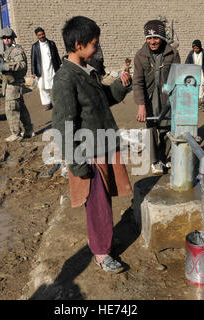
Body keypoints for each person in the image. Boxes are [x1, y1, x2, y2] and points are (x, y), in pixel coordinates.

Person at [52, 16, 133, 273]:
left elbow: (102, 100)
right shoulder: (66, 79)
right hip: (89, 152)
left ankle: (101, 240)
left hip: (104, 144)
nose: (97, 48)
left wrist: (121, 85)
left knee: (105, 199)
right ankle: (100, 252)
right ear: (78, 44)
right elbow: (64, 124)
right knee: (98, 204)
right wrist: (75, 161)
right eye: (94, 44)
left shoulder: (87, 70)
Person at [133, 19, 181, 174]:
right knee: (151, 128)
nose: (152, 42)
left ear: (162, 37)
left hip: (168, 96)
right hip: (149, 98)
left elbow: (179, 77)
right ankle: (155, 161)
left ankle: (164, 157)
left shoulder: (172, 53)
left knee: (167, 127)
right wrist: (141, 106)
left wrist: (178, 101)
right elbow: (138, 82)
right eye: (149, 38)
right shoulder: (140, 56)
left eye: (156, 38)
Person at [0, 27, 34, 142]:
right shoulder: (7, 51)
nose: (7, 40)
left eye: (9, 37)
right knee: (21, 108)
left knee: (11, 109)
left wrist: (6, 66)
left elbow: (22, 65)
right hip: (9, 83)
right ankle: (28, 130)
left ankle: (16, 133)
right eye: (4, 38)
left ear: (13, 38)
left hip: (14, 84)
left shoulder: (16, 50)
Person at [30, 27, 61, 111]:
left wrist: (60, 66)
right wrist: (33, 71)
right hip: (41, 69)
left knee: (55, 86)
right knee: (42, 87)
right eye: (39, 35)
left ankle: (58, 102)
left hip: (52, 68)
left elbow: (57, 56)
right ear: (37, 36)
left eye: (43, 34)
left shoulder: (51, 44)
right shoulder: (35, 46)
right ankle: (48, 104)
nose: (42, 36)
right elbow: (33, 59)